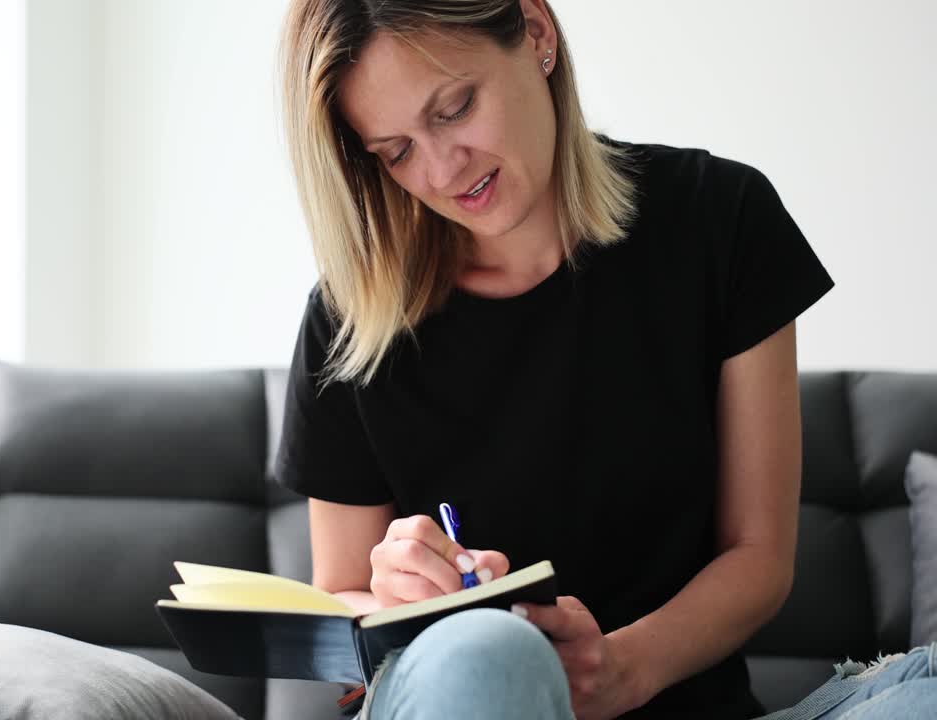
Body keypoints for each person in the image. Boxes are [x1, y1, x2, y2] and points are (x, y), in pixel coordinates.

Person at [271, 1, 935, 718]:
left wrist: (622, 669)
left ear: (536, 33)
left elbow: (758, 557)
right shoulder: (352, 316)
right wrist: (396, 593)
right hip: (466, 695)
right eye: (395, 152)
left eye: (454, 108)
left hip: (686, 705)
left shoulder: (721, 220)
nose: (439, 170)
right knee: (492, 655)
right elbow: (340, 596)